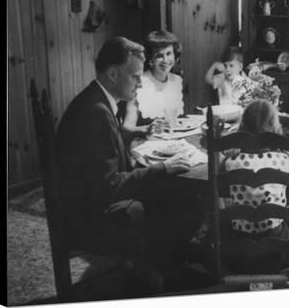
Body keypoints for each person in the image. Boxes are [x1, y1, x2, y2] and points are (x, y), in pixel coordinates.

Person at [56, 36, 198, 289]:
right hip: (91, 217)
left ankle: (168, 261)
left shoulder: (96, 100)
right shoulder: (96, 113)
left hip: (87, 200)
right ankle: (167, 274)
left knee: (176, 192)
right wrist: (163, 167)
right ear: (113, 73)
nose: (140, 82)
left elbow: (108, 155)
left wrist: (141, 139)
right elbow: (109, 186)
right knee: (184, 199)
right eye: (134, 76)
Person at [218, 100, 289, 274]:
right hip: (277, 252)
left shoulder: (229, 163)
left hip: (238, 252)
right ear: (275, 128)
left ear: (242, 126)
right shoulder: (283, 161)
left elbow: (219, 199)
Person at [123, 30, 184, 136]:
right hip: (146, 144)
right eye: (159, 56)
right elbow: (126, 127)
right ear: (151, 59)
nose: (165, 60)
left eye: (169, 54)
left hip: (172, 144)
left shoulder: (176, 81)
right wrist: (146, 129)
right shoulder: (139, 83)